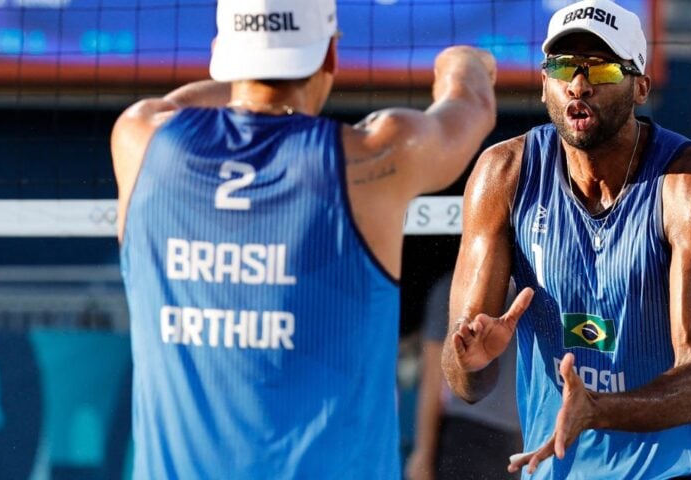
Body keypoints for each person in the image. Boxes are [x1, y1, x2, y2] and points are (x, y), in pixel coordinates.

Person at [110, 0, 497, 477]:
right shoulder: (374, 157)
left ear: (220, 52)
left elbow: (178, 106)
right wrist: (464, 64)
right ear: (331, 56)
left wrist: (250, 71)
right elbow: (471, 107)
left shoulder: (138, 140)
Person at [441, 0, 691, 478]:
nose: (578, 85)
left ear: (640, 86)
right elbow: (465, 381)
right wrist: (470, 361)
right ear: (545, 84)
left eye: (601, 68)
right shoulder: (503, 174)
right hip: (561, 466)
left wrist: (596, 409)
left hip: (684, 469)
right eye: (563, 66)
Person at [406, 272, 522, 480]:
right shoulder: (450, 289)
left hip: (509, 439)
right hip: (467, 434)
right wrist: (423, 453)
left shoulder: (530, 291)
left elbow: (431, 378)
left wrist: (422, 453)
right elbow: (432, 377)